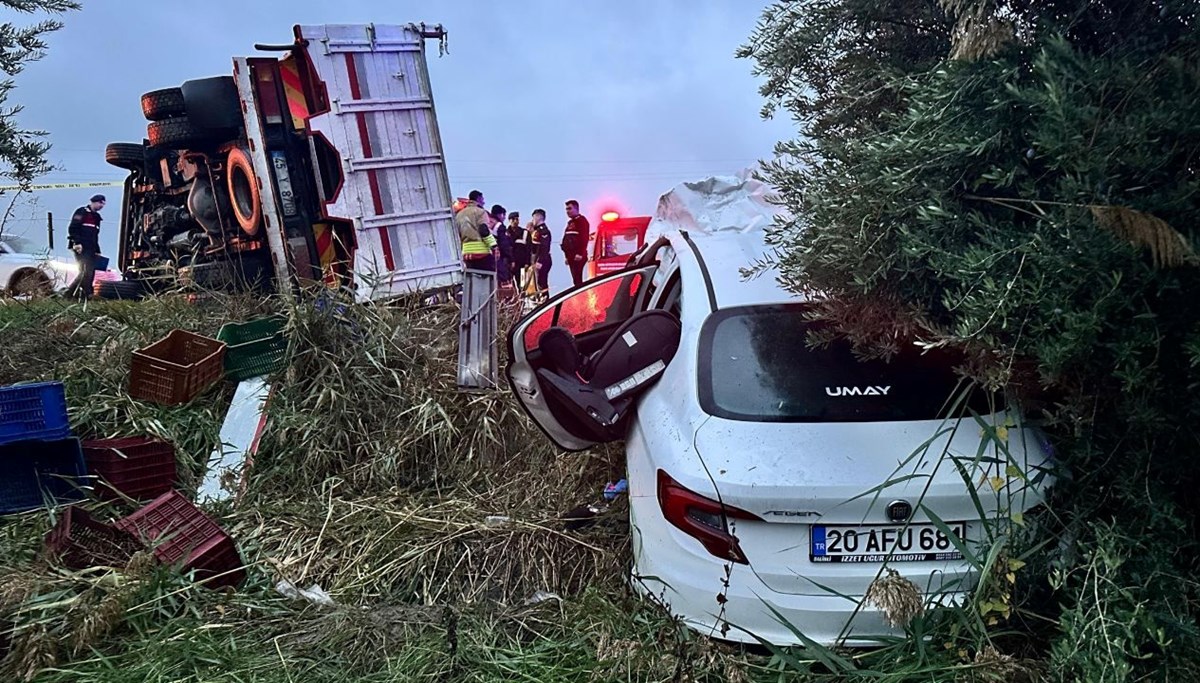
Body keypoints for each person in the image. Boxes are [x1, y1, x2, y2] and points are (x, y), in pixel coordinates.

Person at [65, 194, 105, 301]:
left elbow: (95, 235)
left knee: (90, 272)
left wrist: (97, 250)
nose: (102, 205)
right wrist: (77, 242)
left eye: (103, 204)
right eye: (100, 203)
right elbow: (73, 228)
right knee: (84, 271)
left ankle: (82, 295)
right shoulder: (82, 212)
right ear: (93, 202)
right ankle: (72, 294)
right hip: (81, 247)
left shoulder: (96, 217)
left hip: (91, 248)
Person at [454, 190, 498, 273]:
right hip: (481, 252)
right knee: (488, 279)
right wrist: (494, 245)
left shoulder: (459, 215)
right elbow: (483, 230)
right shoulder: (480, 212)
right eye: (482, 199)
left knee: (472, 279)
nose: (484, 202)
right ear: (478, 199)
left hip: (466, 253)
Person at [561, 199, 590, 287]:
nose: (567, 211)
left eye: (569, 209)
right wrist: (566, 256)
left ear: (576, 209)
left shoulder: (582, 221)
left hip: (578, 256)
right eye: (566, 209)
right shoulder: (570, 223)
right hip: (570, 256)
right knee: (575, 279)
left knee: (578, 279)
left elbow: (584, 237)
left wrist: (580, 253)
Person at [529, 209, 553, 301]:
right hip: (537, 260)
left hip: (543, 260)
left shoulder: (544, 231)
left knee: (542, 282)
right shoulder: (536, 231)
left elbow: (544, 247)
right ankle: (541, 299)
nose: (532, 221)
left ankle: (545, 301)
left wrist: (540, 261)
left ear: (538, 217)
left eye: (533, 218)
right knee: (538, 282)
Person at [506, 211, 530, 292]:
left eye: (516, 219)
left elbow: (528, 249)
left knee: (522, 285)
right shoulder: (505, 233)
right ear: (509, 220)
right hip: (509, 265)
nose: (515, 221)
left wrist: (527, 262)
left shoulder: (525, 233)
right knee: (509, 285)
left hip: (522, 265)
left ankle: (522, 300)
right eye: (513, 219)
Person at [490, 204, 512, 288]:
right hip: (498, 256)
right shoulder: (499, 225)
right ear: (500, 214)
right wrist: (509, 257)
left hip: (487, 254)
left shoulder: (487, 222)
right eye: (504, 215)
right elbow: (504, 244)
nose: (504, 218)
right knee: (503, 277)